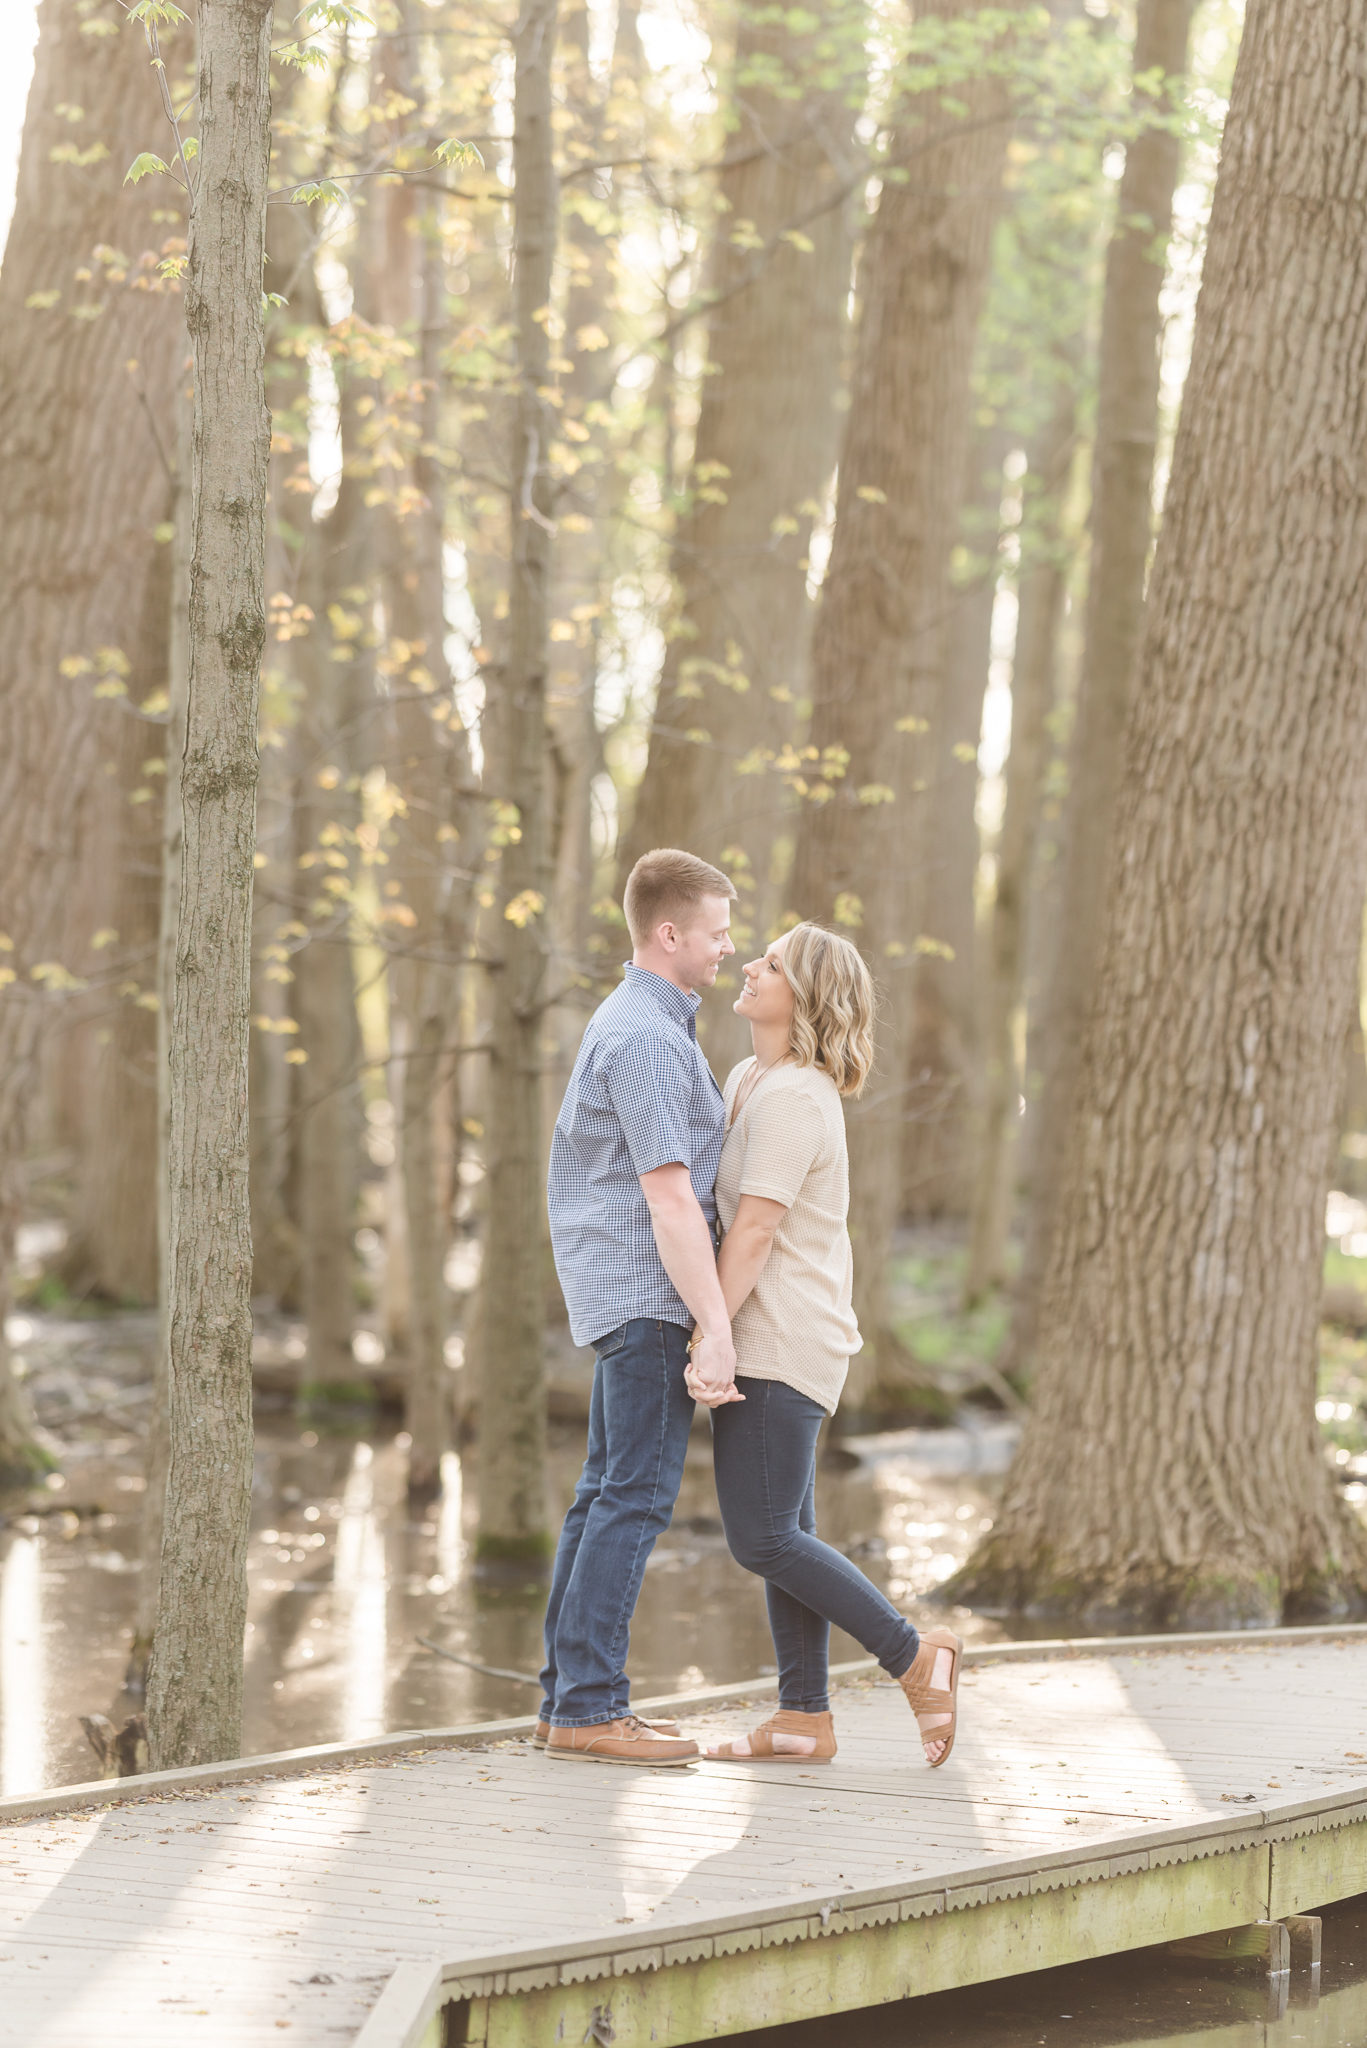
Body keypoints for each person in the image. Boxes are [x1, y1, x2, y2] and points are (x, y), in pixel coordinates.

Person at [691, 924, 963, 1766]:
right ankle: (802, 1719)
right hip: (767, 1332)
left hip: (781, 1337)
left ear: (802, 996)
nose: (748, 966)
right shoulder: (749, 1078)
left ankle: (917, 1659)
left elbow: (756, 1229)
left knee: (762, 1537)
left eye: (769, 964)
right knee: (787, 1530)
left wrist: (711, 1333)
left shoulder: (794, 1097)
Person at [539, 848, 742, 1766]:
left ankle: (566, 1701)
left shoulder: (642, 1023)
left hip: (622, 1287)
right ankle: (589, 1707)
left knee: (600, 1495)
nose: (727, 950)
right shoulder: (648, 1041)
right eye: (716, 932)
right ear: (669, 933)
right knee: (632, 1496)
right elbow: (668, 1197)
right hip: (646, 1291)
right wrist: (717, 1324)